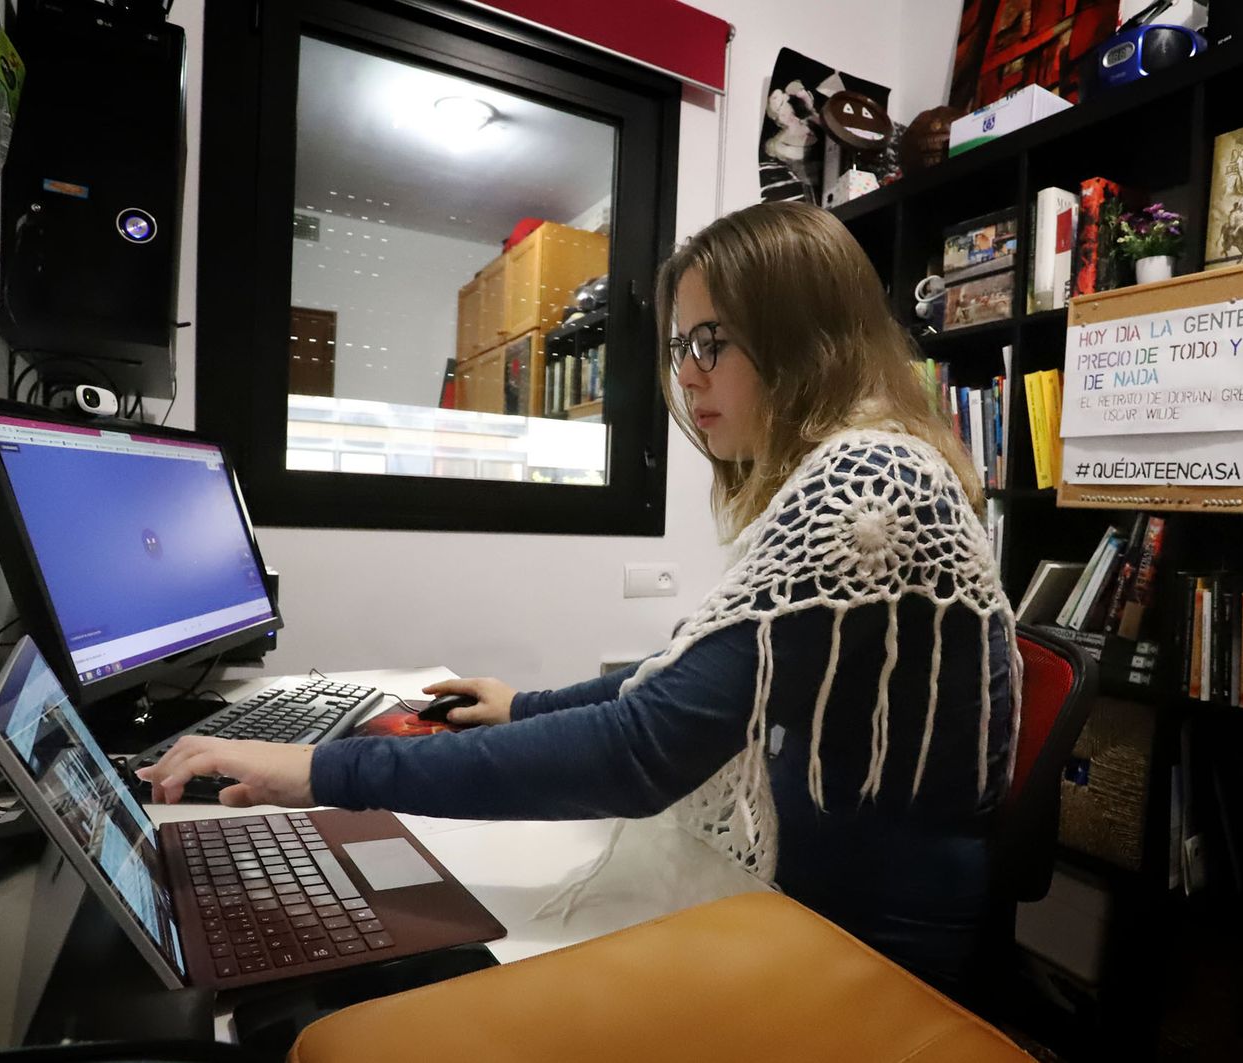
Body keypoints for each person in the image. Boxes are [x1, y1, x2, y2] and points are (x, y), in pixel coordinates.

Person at [138, 202, 1020, 990]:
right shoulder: (867, 458)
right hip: (826, 884)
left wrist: (322, 770)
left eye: (711, 341)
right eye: (682, 346)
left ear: (799, 338)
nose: (688, 375)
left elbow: (644, 747)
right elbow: (690, 672)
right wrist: (527, 704)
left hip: (866, 935)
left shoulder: (868, 482)